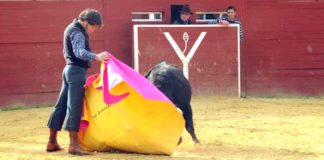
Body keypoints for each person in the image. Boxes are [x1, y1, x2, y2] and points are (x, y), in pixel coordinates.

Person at [46, 8, 109, 155]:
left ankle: (52, 142)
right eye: (94, 27)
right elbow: (79, 52)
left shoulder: (70, 28)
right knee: (74, 107)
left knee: (60, 106)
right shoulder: (78, 31)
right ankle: (74, 145)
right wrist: (97, 56)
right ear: (86, 22)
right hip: (76, 72)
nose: (94, 30)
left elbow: (66, 51)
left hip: (69, 69)